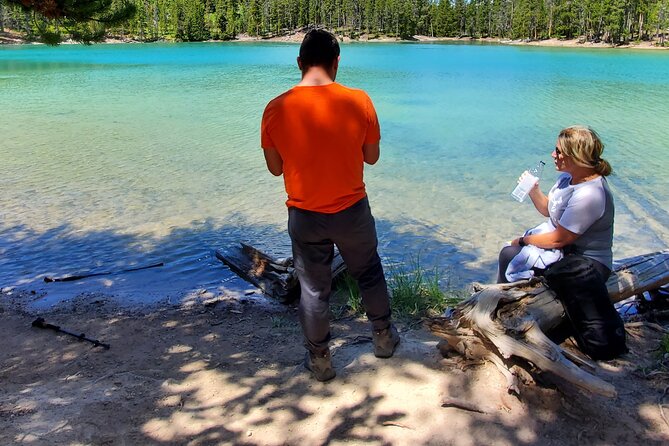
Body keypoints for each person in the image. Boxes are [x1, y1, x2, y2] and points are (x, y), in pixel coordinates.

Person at [260, 28, 399, 382]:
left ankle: (320, 360)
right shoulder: (360, 101)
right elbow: (373, 158)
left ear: (299, 63)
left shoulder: (275, 108)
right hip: (352, 210)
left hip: (305, 215)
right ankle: (383, 338)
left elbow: (275, 169)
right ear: (337, 63)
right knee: (368, 272)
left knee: (313, 289)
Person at [497, 125, 626, 360]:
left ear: (574, 156)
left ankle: (505, 314)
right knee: (510, 253)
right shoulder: (568, 178)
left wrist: (524, 240)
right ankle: (502, 307)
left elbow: (559, 239)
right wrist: (534, 190)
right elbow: (550, 211)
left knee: (510, 253)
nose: (552, 155)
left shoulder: (590, 194)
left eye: (558, 151)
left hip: (587, 265)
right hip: (567, 254)